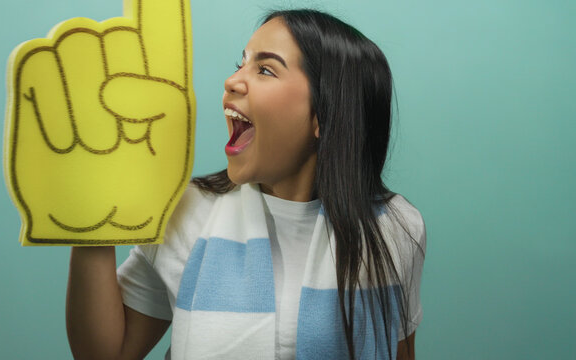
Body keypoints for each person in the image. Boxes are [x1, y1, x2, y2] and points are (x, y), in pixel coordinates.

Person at [66, 9, 426, 360]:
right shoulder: (185, 213)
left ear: (324, 115)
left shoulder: (395, 228)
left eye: (265, 69)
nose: (233, 81)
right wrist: (95, 221)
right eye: (241, 63)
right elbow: (104, 353)